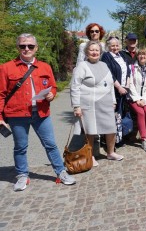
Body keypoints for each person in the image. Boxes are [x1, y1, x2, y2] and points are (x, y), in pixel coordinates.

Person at [0, 33, 76, 191]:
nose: (26, 49)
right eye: (23, 46)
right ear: (18, 47)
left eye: (30, 46)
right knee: (20, 146)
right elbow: (1, 94)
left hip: (41, 114)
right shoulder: (6, 68)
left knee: (50, 145)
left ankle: (60, 172)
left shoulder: (44, 67)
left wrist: (51, 95)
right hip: (17, 115)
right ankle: (22, 175)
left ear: (36, 48)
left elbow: (53, 86)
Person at [71, 41, 124, 165]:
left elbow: (110, 84)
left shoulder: (104, 65)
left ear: (100, 52)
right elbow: (75, 86)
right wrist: (76, 106)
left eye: (97, 50)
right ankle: (90, 155)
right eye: (92, 50)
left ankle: (110, 153)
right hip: (89, 103)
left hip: (106, 102)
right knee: (91, 131)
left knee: (111, 128)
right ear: (86, 52)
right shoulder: (82, 66)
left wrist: (114, 100)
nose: (94, 52)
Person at [100, 36, 131, 145]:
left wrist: (126, 84)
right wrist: (119, 87)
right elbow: (109, 74)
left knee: (120, 115)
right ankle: (109, 141)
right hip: (113, 91)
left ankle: (119, 138)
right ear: (108, 46)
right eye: (112, 45)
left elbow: (128, 70)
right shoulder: (106, 56)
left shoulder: (122, 54)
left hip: (124, 90)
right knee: (112, 115)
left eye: (117, 45)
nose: (115, 47)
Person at [128, 48, 146, 152]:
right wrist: (137, 99)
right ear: (137, 56)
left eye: (144, 54)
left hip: (145, 97)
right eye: (140, 54)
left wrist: (143, 99)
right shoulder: (132, 68)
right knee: (141, 113)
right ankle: (144, 139)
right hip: (133, 97)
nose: (142, 56)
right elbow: (130, 85)